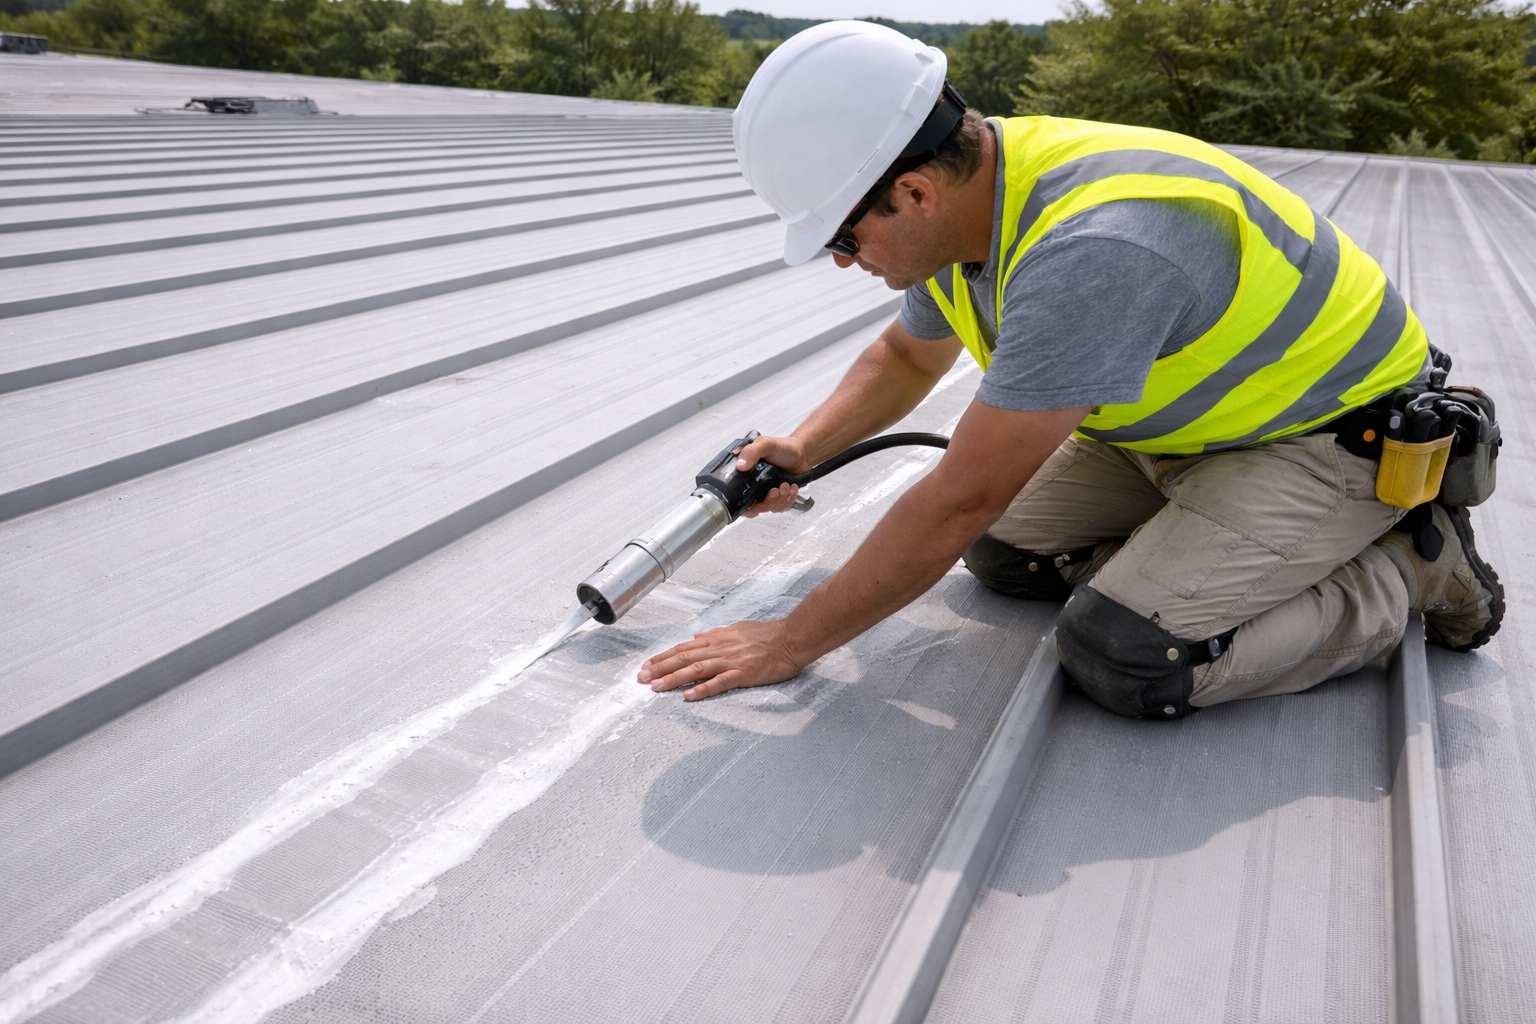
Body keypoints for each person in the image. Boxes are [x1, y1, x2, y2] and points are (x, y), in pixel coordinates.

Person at [636, 20, 1504, 718]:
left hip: (1326, 439)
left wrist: (792, 641)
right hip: (1189, 433)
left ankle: (1410, 566)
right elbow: (907, 355)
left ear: (914, 194)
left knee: (1127, 652)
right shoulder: (979, 197)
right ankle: (1219, 548)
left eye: (840, 235)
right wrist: (804, 446)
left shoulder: (1093, 249)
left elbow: (960, 496)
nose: (839, 260)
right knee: (1003, 554)